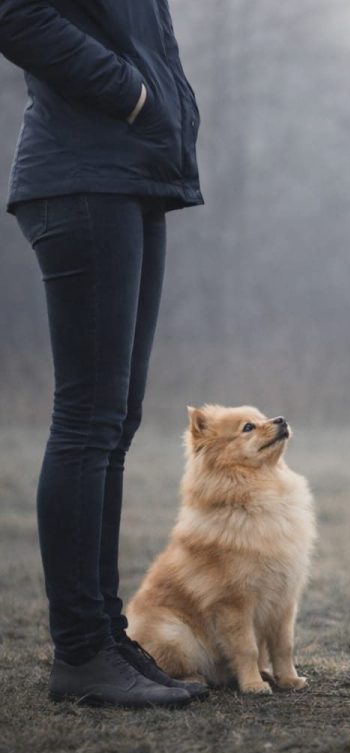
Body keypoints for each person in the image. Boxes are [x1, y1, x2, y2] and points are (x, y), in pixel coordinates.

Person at [0, 1, 206, 708]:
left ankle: (104, 636)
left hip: (128, 173)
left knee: (113, 423)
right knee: (89, 421)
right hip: (84, 176)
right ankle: (82, 652)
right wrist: (130, 92)